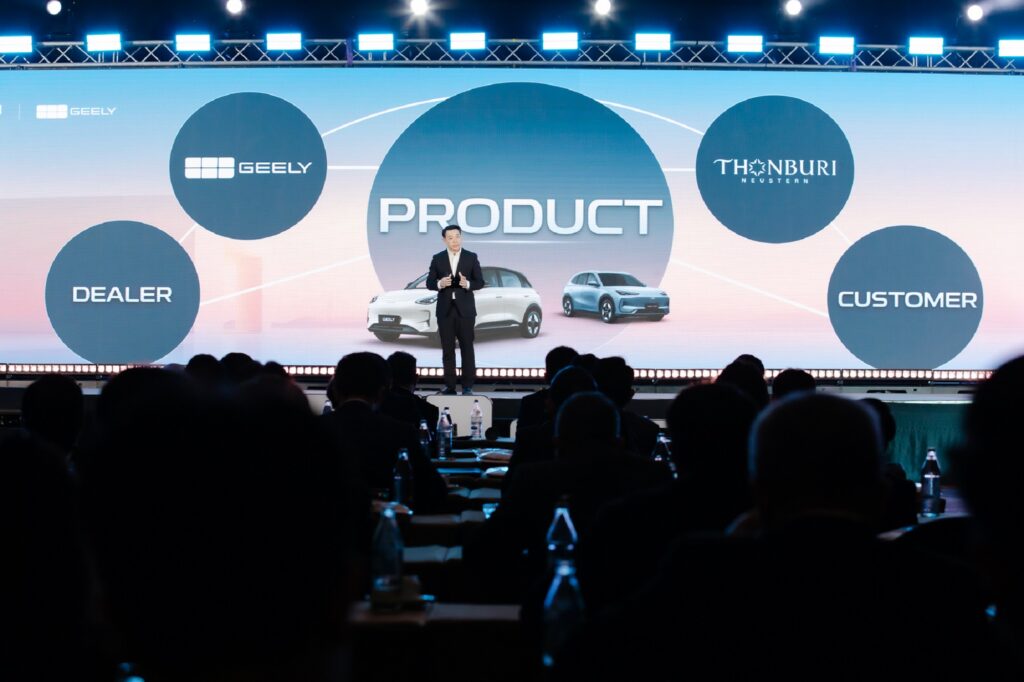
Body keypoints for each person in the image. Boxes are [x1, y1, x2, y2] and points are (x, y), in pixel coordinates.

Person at [425, 225, 485, 395]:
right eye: (450, 237)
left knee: (467, 349)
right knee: (447, 350)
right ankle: (450, 385)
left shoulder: (471, 257)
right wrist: (439, 283)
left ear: (461, 237)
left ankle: (467, 386)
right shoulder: (437, 258)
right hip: (445, 311)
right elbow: (429, 282)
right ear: (444, 240)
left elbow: (480, 282)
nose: (455, 240)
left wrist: (467, 284)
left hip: (465, 311)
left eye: (457, 236)